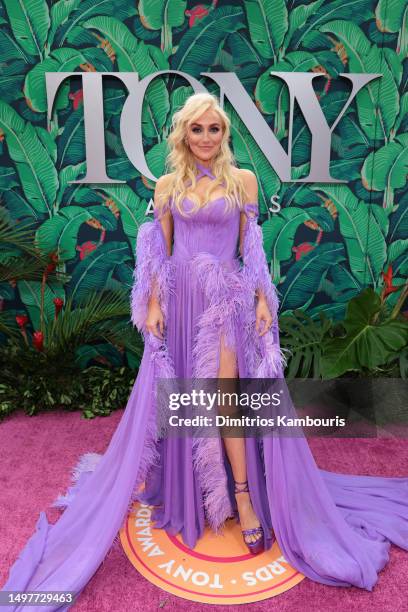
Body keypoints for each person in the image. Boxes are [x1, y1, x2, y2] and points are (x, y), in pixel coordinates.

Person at [1, 92, 408, 610]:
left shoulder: (244, 183)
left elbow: (252, 248)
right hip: (181, 302)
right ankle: (192, 488)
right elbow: (157, 250)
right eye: (197, 130)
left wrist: (263, 301)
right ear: (183, 135)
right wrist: (150, 304)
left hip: (225, 303)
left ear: (225, 134)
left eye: (214, 129)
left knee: (225, 399)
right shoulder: (168, 184)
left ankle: (241, 494)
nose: (206, 139)